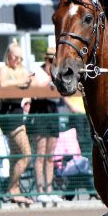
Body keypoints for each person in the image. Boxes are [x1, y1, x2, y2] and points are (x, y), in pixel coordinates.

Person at [0, 42, 35, 206]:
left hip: (18, 112)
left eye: (20, 57)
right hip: (8, 113)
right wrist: (21, 82)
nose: (17, 60)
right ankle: (12, 189)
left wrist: (28, 82)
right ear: (8, 56)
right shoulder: (4, 70)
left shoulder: (23, 70)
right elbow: (3, 85)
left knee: (16, 156)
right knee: (26, 154)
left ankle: (14, 189)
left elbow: (30, 85)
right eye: (14, 57)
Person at [28, 47, 62, 206]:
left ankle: (49, 189)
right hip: (39, 111)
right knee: (40, 154)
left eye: (54, 59)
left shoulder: (59, 73)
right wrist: (50, 77)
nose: (52, 62)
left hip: (52, 111)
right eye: (50, 59)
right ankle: (39, 191)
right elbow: (36, 91)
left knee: (50, 156)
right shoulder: (37, 72)